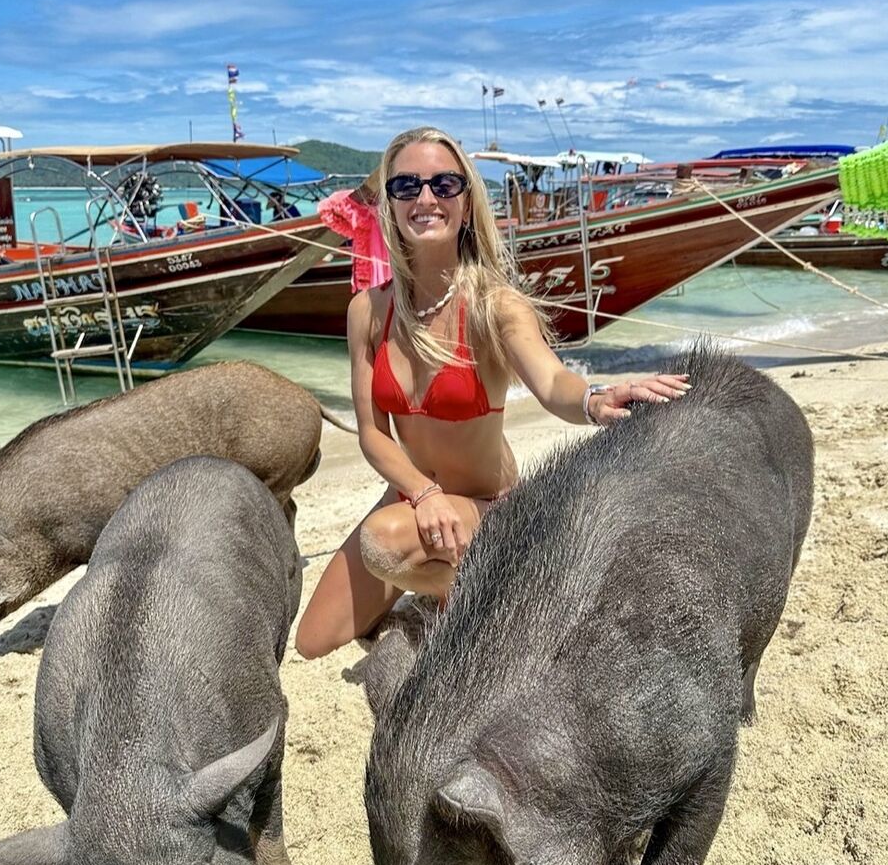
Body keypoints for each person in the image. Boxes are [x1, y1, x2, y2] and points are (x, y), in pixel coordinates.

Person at [294, 127, 690, 660]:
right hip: (416, 501)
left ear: (466, 200)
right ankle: (461, 582)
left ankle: (478, 582)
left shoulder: (494, 306)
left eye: (444, 184)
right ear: (389, 203)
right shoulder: (367, 310)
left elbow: (551, 382)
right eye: (406, 185)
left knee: (382, 541)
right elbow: (371, 434)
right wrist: (423, 492)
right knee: (315, 639)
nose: (426, 198)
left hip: (489, 507)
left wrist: (595, 398)